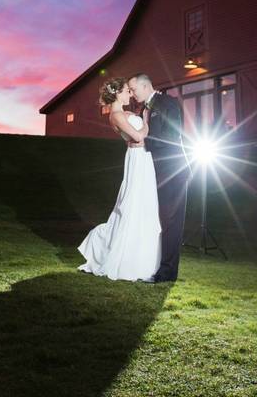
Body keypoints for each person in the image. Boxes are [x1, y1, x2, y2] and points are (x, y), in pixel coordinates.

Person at [76, 76, 162, 282]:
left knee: (146, 204)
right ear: (117, 93)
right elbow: (139, 137)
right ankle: (125, 258)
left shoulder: (126, 112)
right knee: (133, 204)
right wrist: (147, 120)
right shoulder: (116, 115)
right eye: (126, 90)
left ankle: (148, 258)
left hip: (145, 158)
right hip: (137, 158)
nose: (130, 94)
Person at [128, 73, 187, 283]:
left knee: (171, 221)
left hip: (172, 169)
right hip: (150, 171)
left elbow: (173, 134)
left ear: (145, 86)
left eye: (133, 89)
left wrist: (144, 142)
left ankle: (167, 273)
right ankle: (150, 265)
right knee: (154, 219)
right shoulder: (142, 109)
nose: (132, 94)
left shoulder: (167, 102)